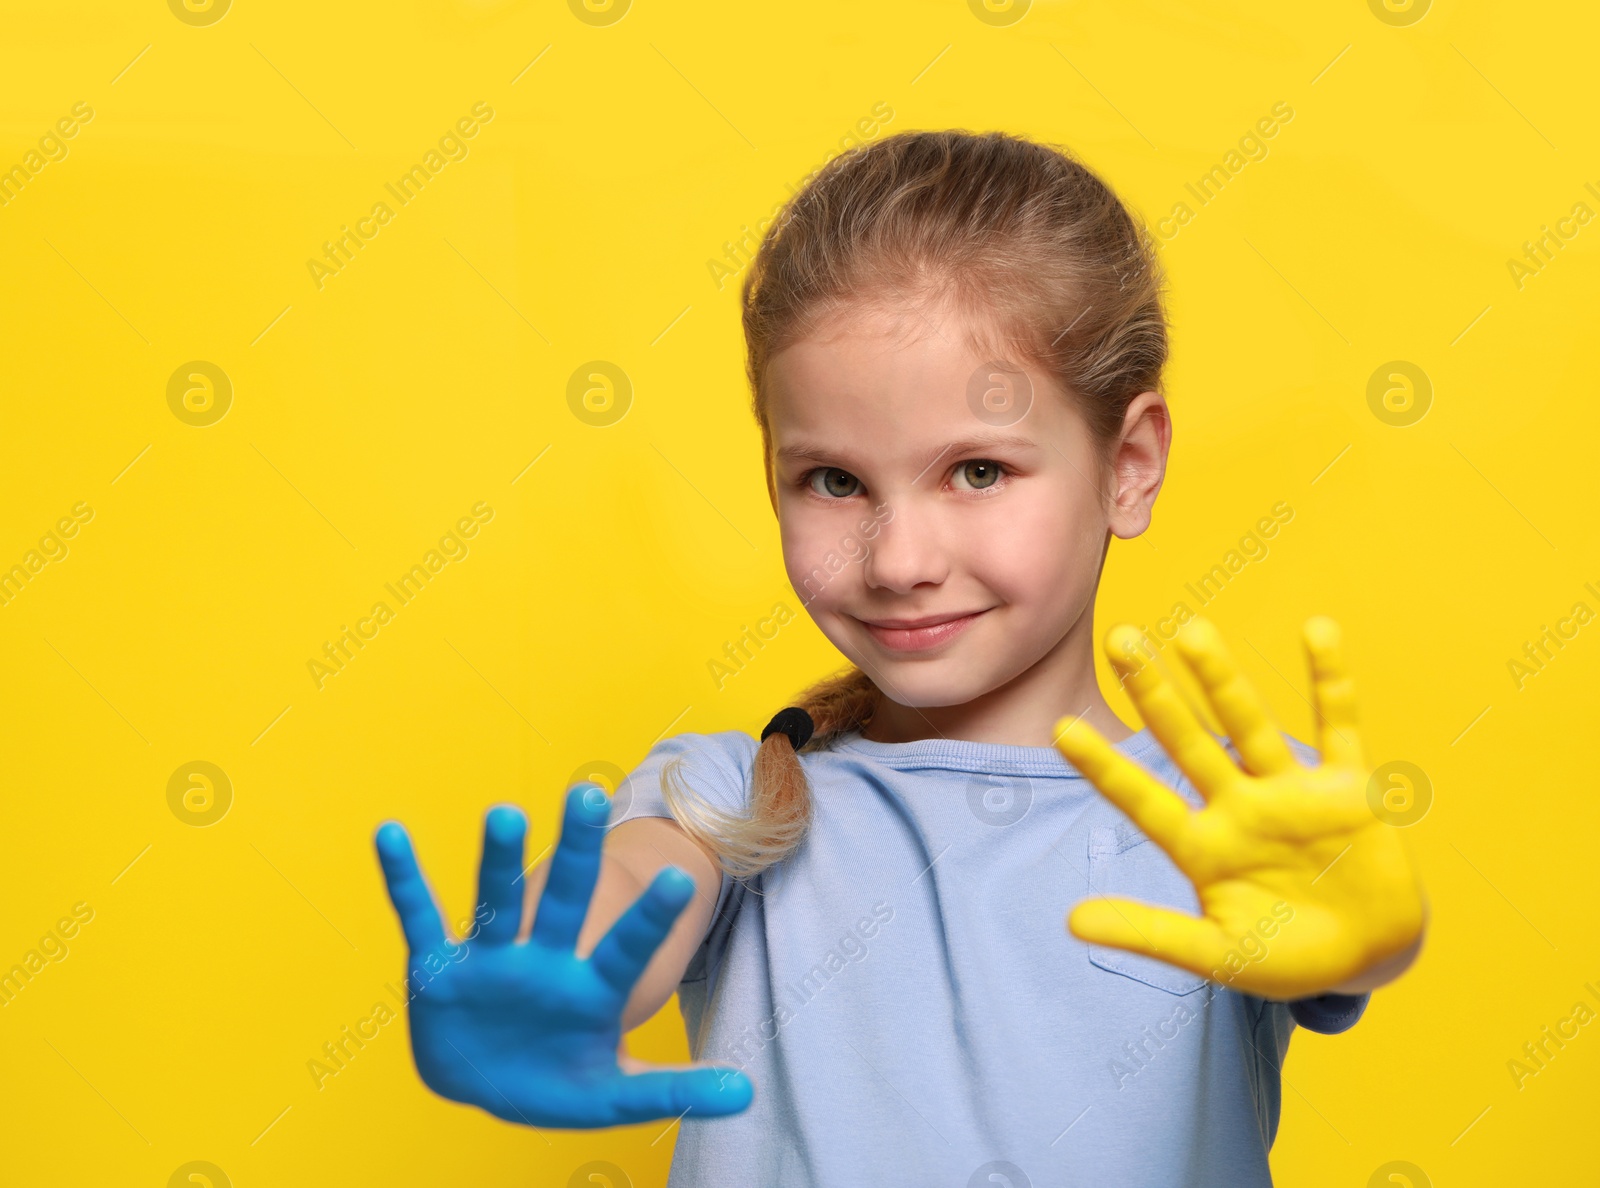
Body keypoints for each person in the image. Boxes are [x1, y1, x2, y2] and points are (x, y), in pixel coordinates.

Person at [373, 129, 1427, 1186]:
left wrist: (1366, 932)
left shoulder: (1231, 816)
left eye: (976, 471)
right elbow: (632, 882)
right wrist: (534, 976)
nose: (900, 561)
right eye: (833, 481)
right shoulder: (726, 801)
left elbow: (1338, 939)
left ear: (1129, 465)